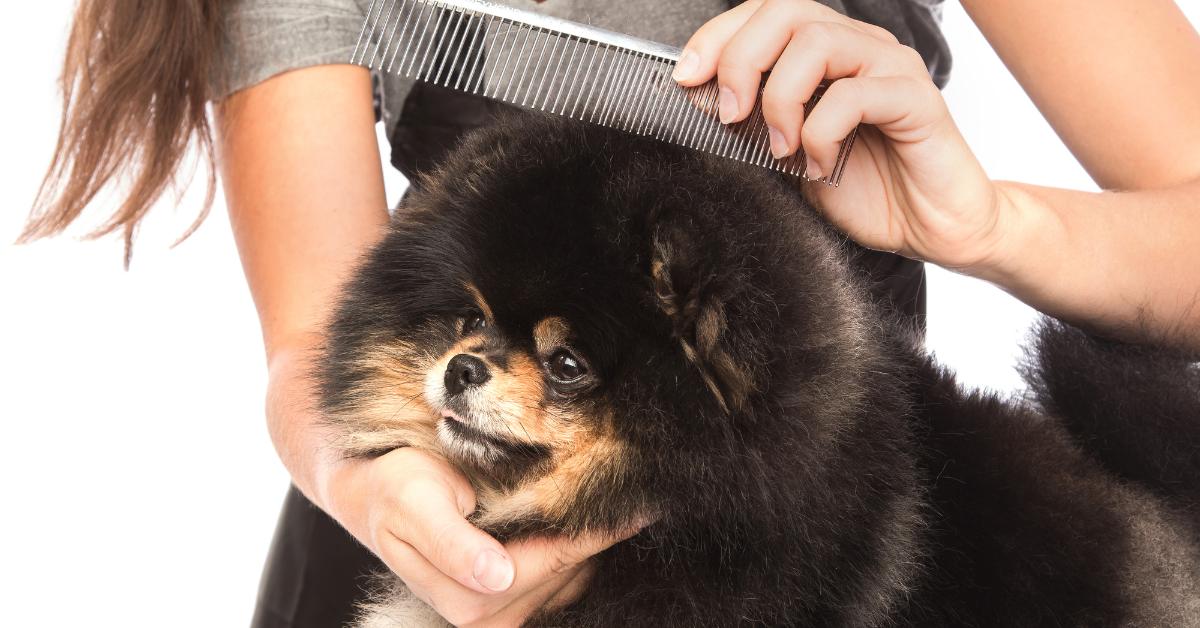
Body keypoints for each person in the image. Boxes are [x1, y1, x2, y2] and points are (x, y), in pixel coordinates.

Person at [21, 0, 1200, 626]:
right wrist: (385, 499)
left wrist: (989, 222)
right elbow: (316, 343)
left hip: (846, 573)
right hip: (434, 550)